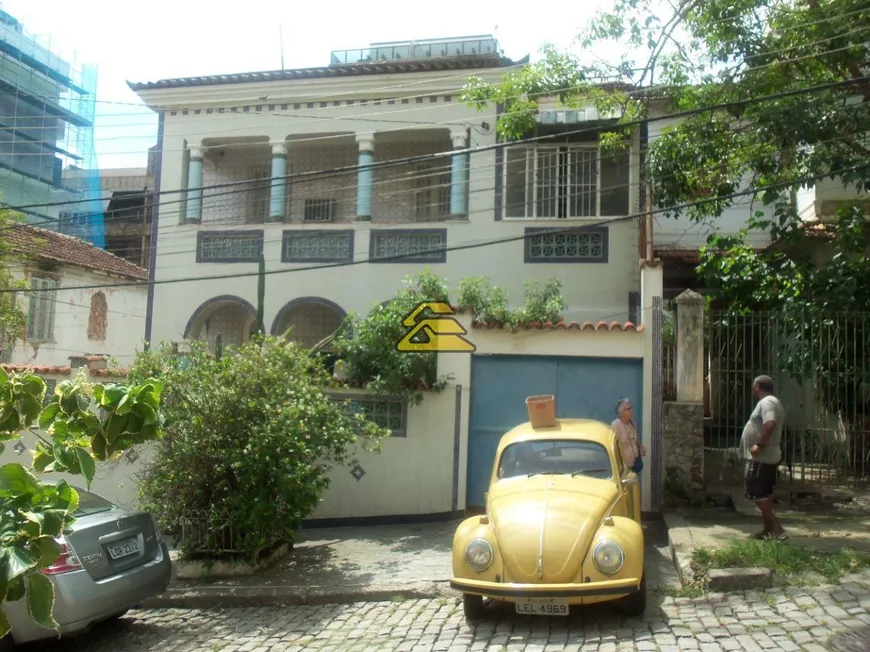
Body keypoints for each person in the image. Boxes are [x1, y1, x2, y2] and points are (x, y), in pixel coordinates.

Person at [738, 375, 788, 541]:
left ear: (758, 386)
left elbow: (770, 424)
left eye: (754, 386)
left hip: (762, 457)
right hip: (765, 457)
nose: (753, 389)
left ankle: (777, 529)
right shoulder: (772, 402)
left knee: (758, 493)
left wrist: (760, 445)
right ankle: (768, 529)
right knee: (764, 494)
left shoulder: (767, 402)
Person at [612, 398, 646, 473]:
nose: (632, 410)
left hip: (634, 465)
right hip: (624, 468)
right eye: (629, 409)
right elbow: (613, 445)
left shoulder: (632, 423)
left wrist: (641, 447)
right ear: (622, 412)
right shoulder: (616, 425)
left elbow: (635, 439)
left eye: (631, 408)